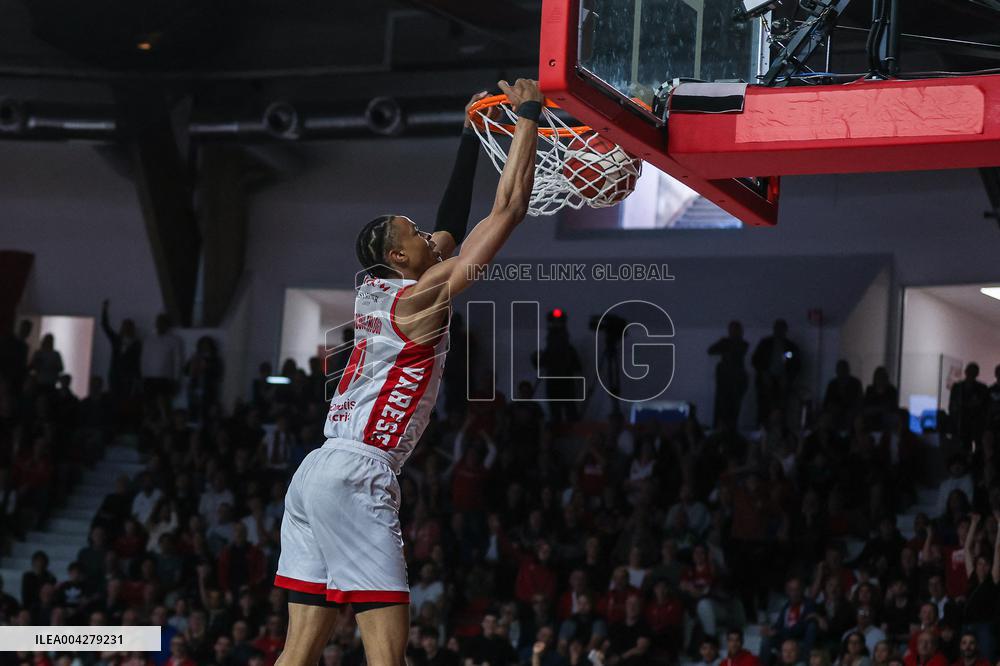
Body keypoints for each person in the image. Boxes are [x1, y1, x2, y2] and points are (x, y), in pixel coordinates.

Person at [273, 81, 542, 666]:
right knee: (386, 656)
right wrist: (526, 116)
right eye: (415, 235)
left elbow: (451, 219)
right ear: (399, 256)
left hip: (315, 469)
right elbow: (509, 208)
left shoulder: (377, 285)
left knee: (297, 654)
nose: (429, 237)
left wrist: (471, 135)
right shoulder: (420, 299)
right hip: (358, 473)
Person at [751, 319, 801, 427]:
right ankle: (761, 431)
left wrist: (788, 377)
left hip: (782, 383)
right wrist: (764, 373)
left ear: (785, 330)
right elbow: (755, 360)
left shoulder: (791, 347)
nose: (779, 331)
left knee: (781, 408)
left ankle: (780, 432)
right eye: (777, 329)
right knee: (764, 407)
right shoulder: (765, 344)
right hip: (766, 382)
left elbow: (797, 365)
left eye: (781, 329)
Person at [707, 321, 749, 431]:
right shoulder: (726, 342)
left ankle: (730, 431)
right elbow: (711, 350)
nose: (733, 332)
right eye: (732, 330)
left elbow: (739, 352)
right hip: (724, 384)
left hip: (736, 383)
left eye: (735, 330)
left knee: (733, 410)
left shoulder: (742, 344)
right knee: (722, 409)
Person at [948, 363, 989, 449]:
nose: (971, 374)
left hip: (975, 423)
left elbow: (984, 407)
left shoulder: (982, 388)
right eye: (970, 372)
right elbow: (952, 405)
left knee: (976, 448)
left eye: (973, 372)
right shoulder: (958, 387)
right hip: (961, 423)